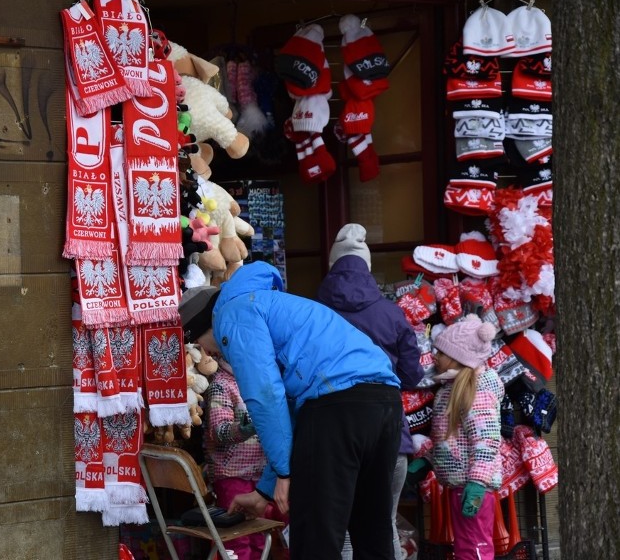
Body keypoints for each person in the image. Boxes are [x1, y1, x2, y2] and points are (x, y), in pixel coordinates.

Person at [179, 261, 403, 559]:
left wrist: (286, 472)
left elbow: (265, 396)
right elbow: (290, 408)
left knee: (315, 539)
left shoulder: (232, 313)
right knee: (372, 531)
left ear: (203, 327)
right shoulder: (267, 303)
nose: (208, 353)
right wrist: (264, 491)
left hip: (336, 406)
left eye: (199, 344)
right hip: (383, 401)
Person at [317, 223, 424, 560]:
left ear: (333, 264)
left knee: (342, 528)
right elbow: (412, 374)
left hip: (334, 435)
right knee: (383, 525)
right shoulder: (391, 313)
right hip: (388, 434)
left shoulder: (315, 313)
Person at [405, 314, 504, 560]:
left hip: (472, 485)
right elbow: (453, 440)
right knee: (465, 546)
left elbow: (486, 440)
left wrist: (477, 483)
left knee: (474, 547)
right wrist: (429, 460)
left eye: (441, 352)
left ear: (459, 357)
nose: (435, 357)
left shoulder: (477, 391)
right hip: (459, 483)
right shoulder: (450, 389)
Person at [180, 286, 268, 560]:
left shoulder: (256, 381)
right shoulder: (221, 386)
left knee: (259, 538)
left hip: (260, 474)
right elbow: (219, 431)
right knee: (237, 540)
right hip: (233, 476)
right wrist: (249, 427)